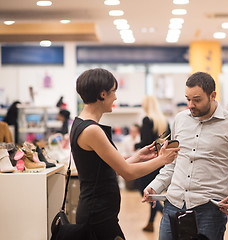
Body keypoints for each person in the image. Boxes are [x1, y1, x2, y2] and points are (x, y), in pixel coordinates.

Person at [143, 72, 228, 240]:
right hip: (173, 204)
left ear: (212, 96)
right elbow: (173, 164)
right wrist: (155, 186)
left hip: (209, 210)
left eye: (197, 100)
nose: (190, 105)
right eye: (188, 99)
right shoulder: (180, 119)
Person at [70, 68, 179, 240]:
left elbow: (106, 169)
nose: (116, 97)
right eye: (114, 92)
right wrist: (162, 159)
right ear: (102, 94)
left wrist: (137, 157)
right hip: (97, 214)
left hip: (99, 212)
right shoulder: (92, 130)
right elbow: (127, 173)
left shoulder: (82, 124)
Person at [134, 95, 171, 232]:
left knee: (143, 190)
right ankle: (150, 223)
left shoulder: (146, 120)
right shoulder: (163, 121)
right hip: (160, 161)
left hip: (148, 161)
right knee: (153, 192)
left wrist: (136, 145)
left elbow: (146, 142)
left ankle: (165, 214)